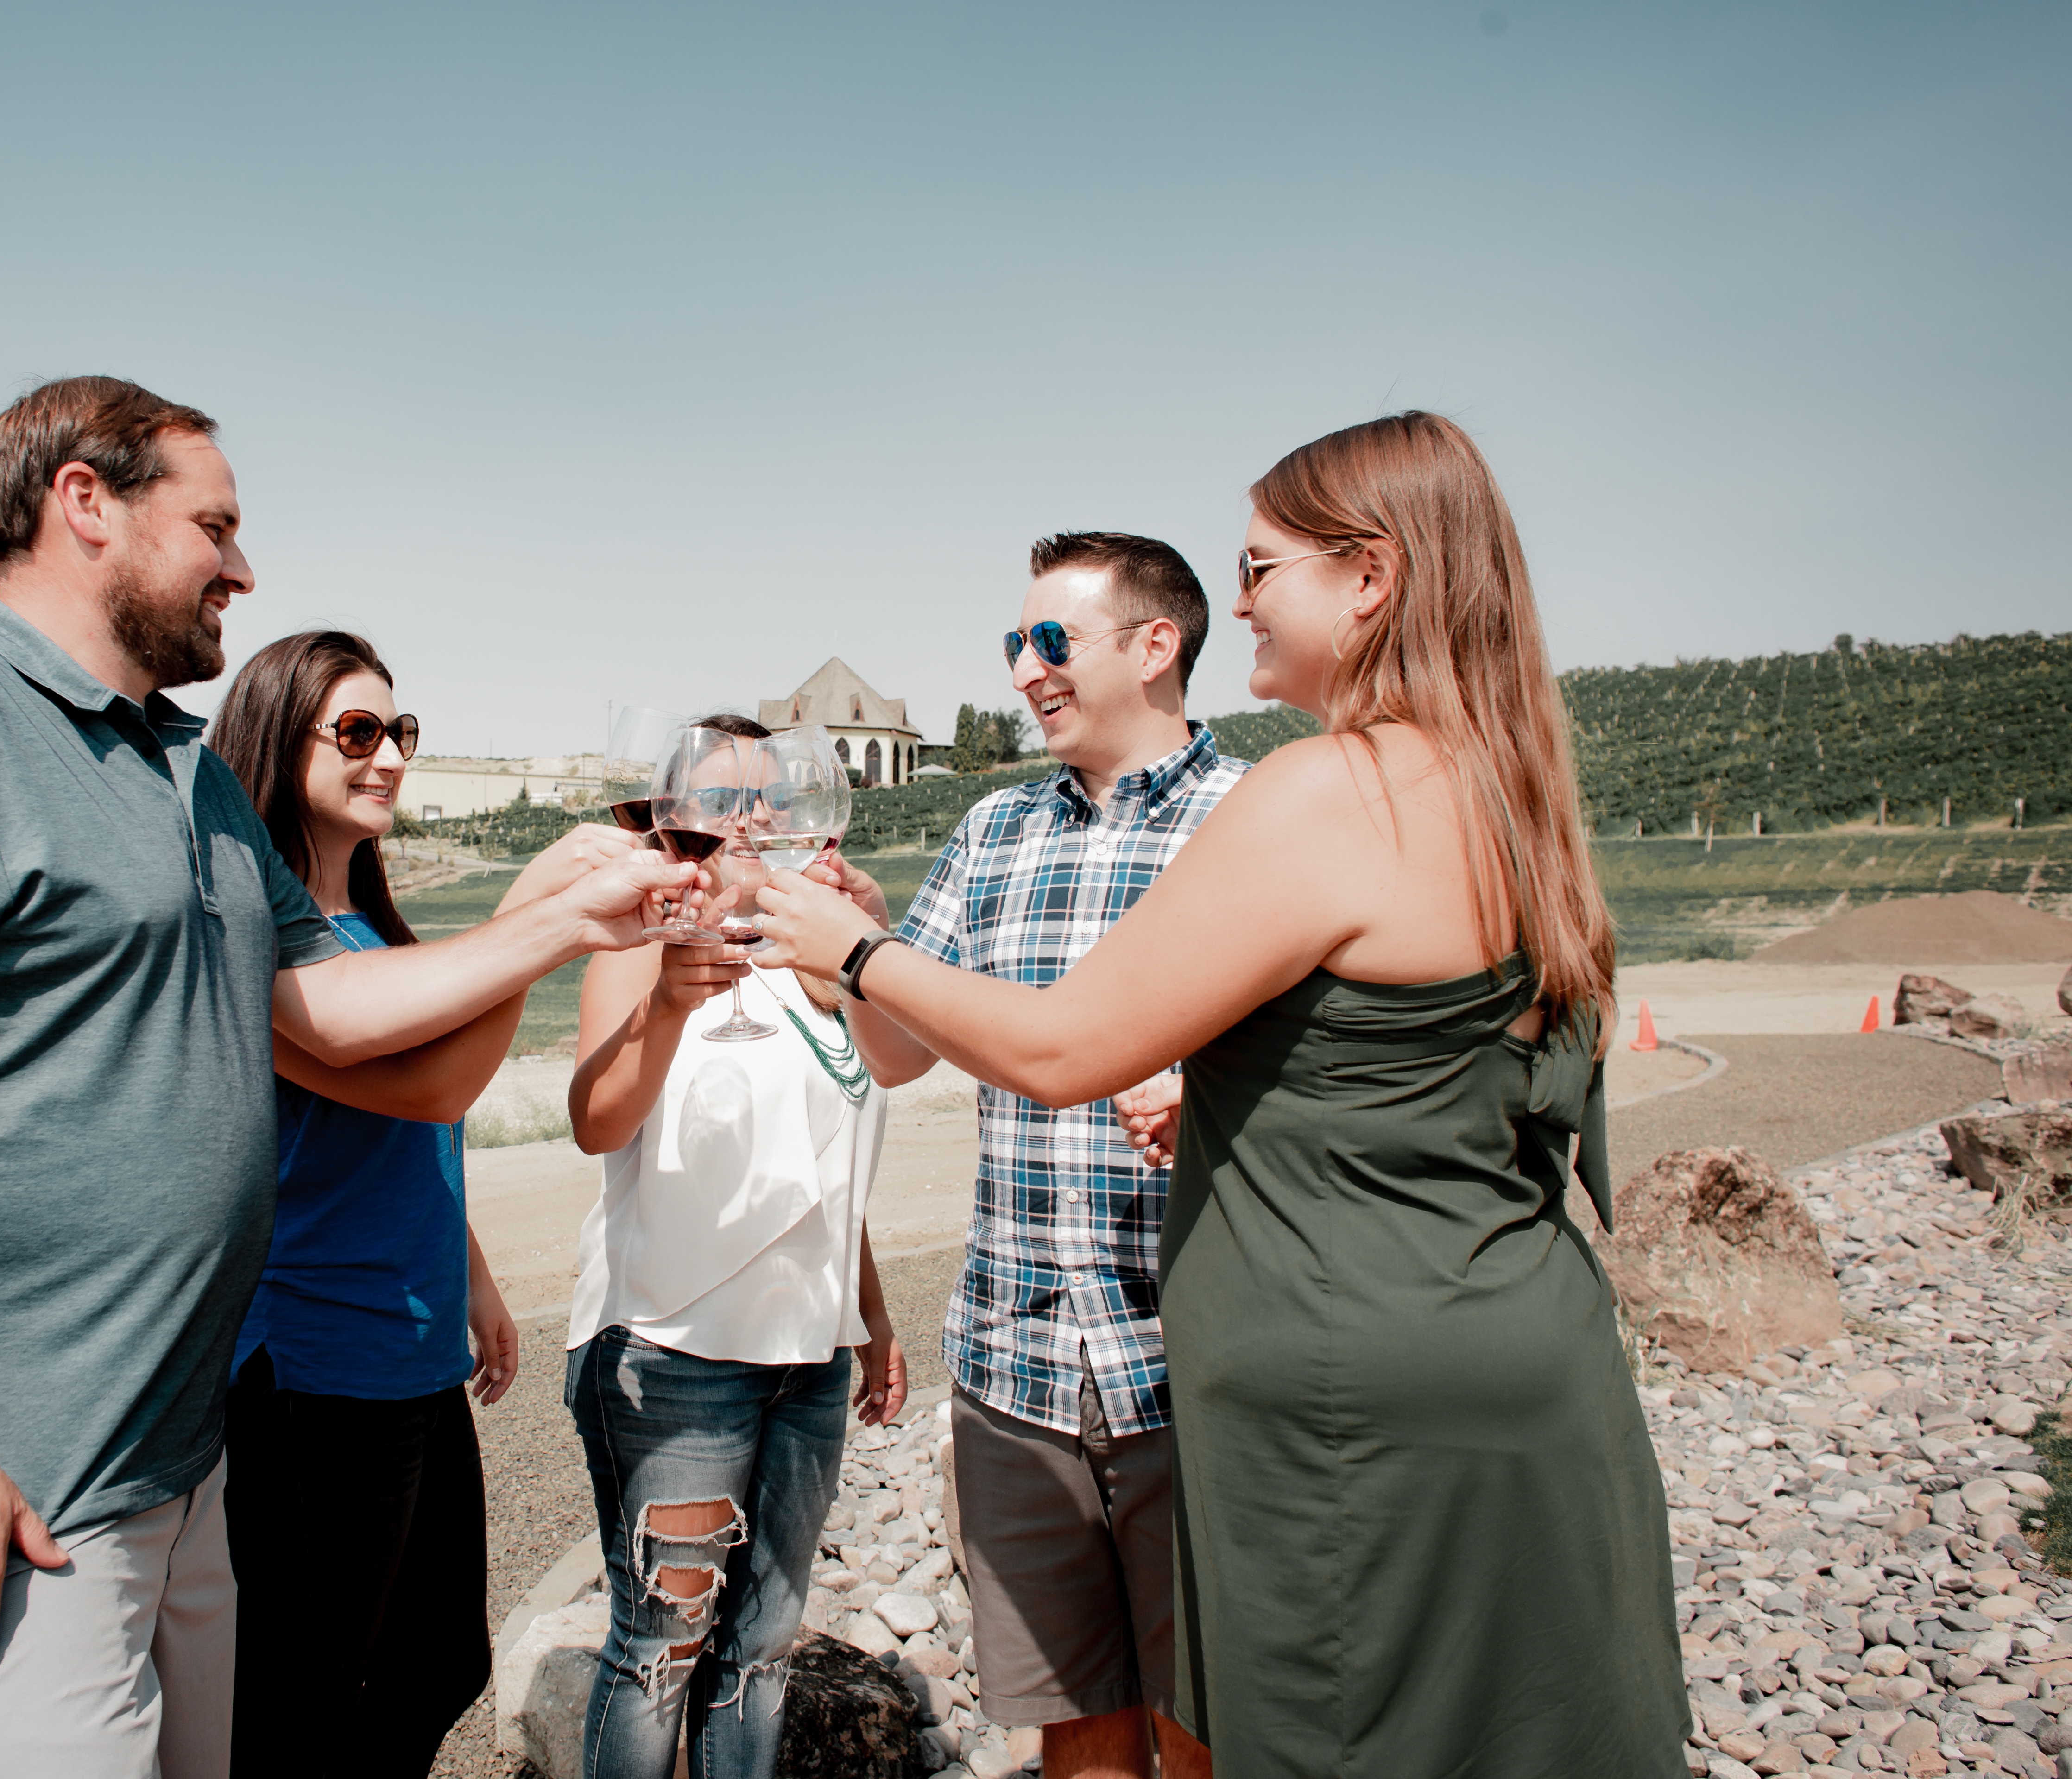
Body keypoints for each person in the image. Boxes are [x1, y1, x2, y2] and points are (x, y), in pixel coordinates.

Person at [0, 376, 687, 1779]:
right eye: (217, 526)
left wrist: (553, 920)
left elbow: (335, 1007)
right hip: (11, 1481)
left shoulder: (190, 772)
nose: (244, 568)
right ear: (85, 506)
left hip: (183, 1463)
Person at [752, 413, 1687, 1779]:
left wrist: (852, 951)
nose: (1239, 593)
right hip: (1492, 1352)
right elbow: (1421, 1084)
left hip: (1346, 1402)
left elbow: (1069, 1048)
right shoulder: (1505, 784)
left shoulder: (1316, 792)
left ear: (1370, 579)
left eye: (1261, 567)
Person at [820, 535, 1240, 1779]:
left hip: (1197, 1359)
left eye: (1050, 642)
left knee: (1211, 1723)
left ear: (1154, 646)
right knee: (1077, 1730)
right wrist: (863, 947)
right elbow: (900, 1054)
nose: (1024, 671)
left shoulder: (1257, 820)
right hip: (1017, 1364)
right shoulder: (994, 827)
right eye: (1015, 647)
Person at [207, 630, 614, 1778]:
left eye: (401, 731)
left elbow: (406, 1129)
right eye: (356, 731)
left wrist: (471, 1271)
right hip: (316, 1364)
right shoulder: (272, 954)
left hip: (413, 1348)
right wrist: (541, 908)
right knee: (313, 1696)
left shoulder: (377, 937)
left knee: (440, 1663)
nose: (388, 756)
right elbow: (438, 1084)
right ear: (276, 743)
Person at [561, 713, 911, 1779]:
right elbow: (595, 1124)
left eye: (767, 796)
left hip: (806, 1355)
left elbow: (876, 1090)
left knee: (759, 1654)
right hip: (674, 1352)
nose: (750, 817)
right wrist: (669, 1000)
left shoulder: (820, 951)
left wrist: (875, 1314)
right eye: (721, 798)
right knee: (661, 1654)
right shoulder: (642, 937)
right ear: (673, 820)